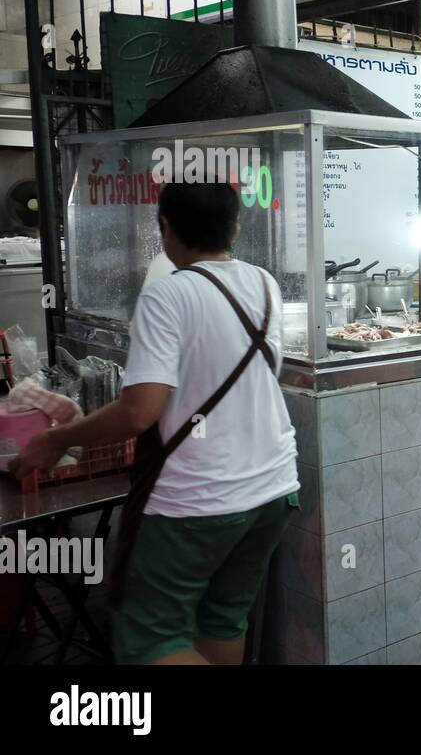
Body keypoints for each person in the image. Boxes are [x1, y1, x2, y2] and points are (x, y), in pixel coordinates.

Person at [11, 182, 300, 666]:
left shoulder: (168, 296)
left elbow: (139, 411)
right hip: (273, 490)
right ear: (235, 228)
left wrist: (56, 438)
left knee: (151, 639)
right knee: (222, 619)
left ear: (165, 228)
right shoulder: (264, 283)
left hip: (199, 498)